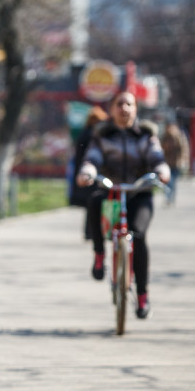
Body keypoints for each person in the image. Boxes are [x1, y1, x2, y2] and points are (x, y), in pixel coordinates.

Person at [77, 90, 170, 319]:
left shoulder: (146, 135)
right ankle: (99, 254)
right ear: (112, 109)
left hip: (139, 193)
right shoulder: (102, 134)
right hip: (112, 193)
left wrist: (162, 171)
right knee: (94, 200)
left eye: (129, 104)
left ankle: (142, 295)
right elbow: (92, 158)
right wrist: (87, 171)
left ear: (136, 108)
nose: (124, 108)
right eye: (120, 104)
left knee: (137, 237)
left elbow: (157, 158)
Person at [69, 106, 110, 238]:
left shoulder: (85, 132)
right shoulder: (93, 135)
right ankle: (93, 232)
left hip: (84, 172)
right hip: (91, 173)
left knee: (90, 205)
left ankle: (89, 232)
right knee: (94, 203)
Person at [160, 122, 189, 205]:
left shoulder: (178, 136)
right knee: (169, 181)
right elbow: (161, 147)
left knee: (173, 182)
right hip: (167, 162)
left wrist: (183, 159)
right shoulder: (165, 136)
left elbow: (183, 148)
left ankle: (171, 197)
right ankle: (168, 197)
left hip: (176, 162)